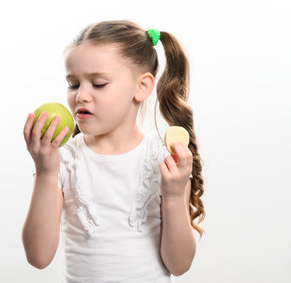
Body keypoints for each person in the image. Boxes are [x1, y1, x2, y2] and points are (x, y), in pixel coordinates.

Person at [22, 19, 205, 282]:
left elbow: (179, 264)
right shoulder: (64, 161)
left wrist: (175, 196)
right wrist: (45, 172)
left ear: (142, 86)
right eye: (73, 84)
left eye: (98, 83)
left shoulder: (164, 159)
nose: (81, 96)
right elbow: (38, 257)